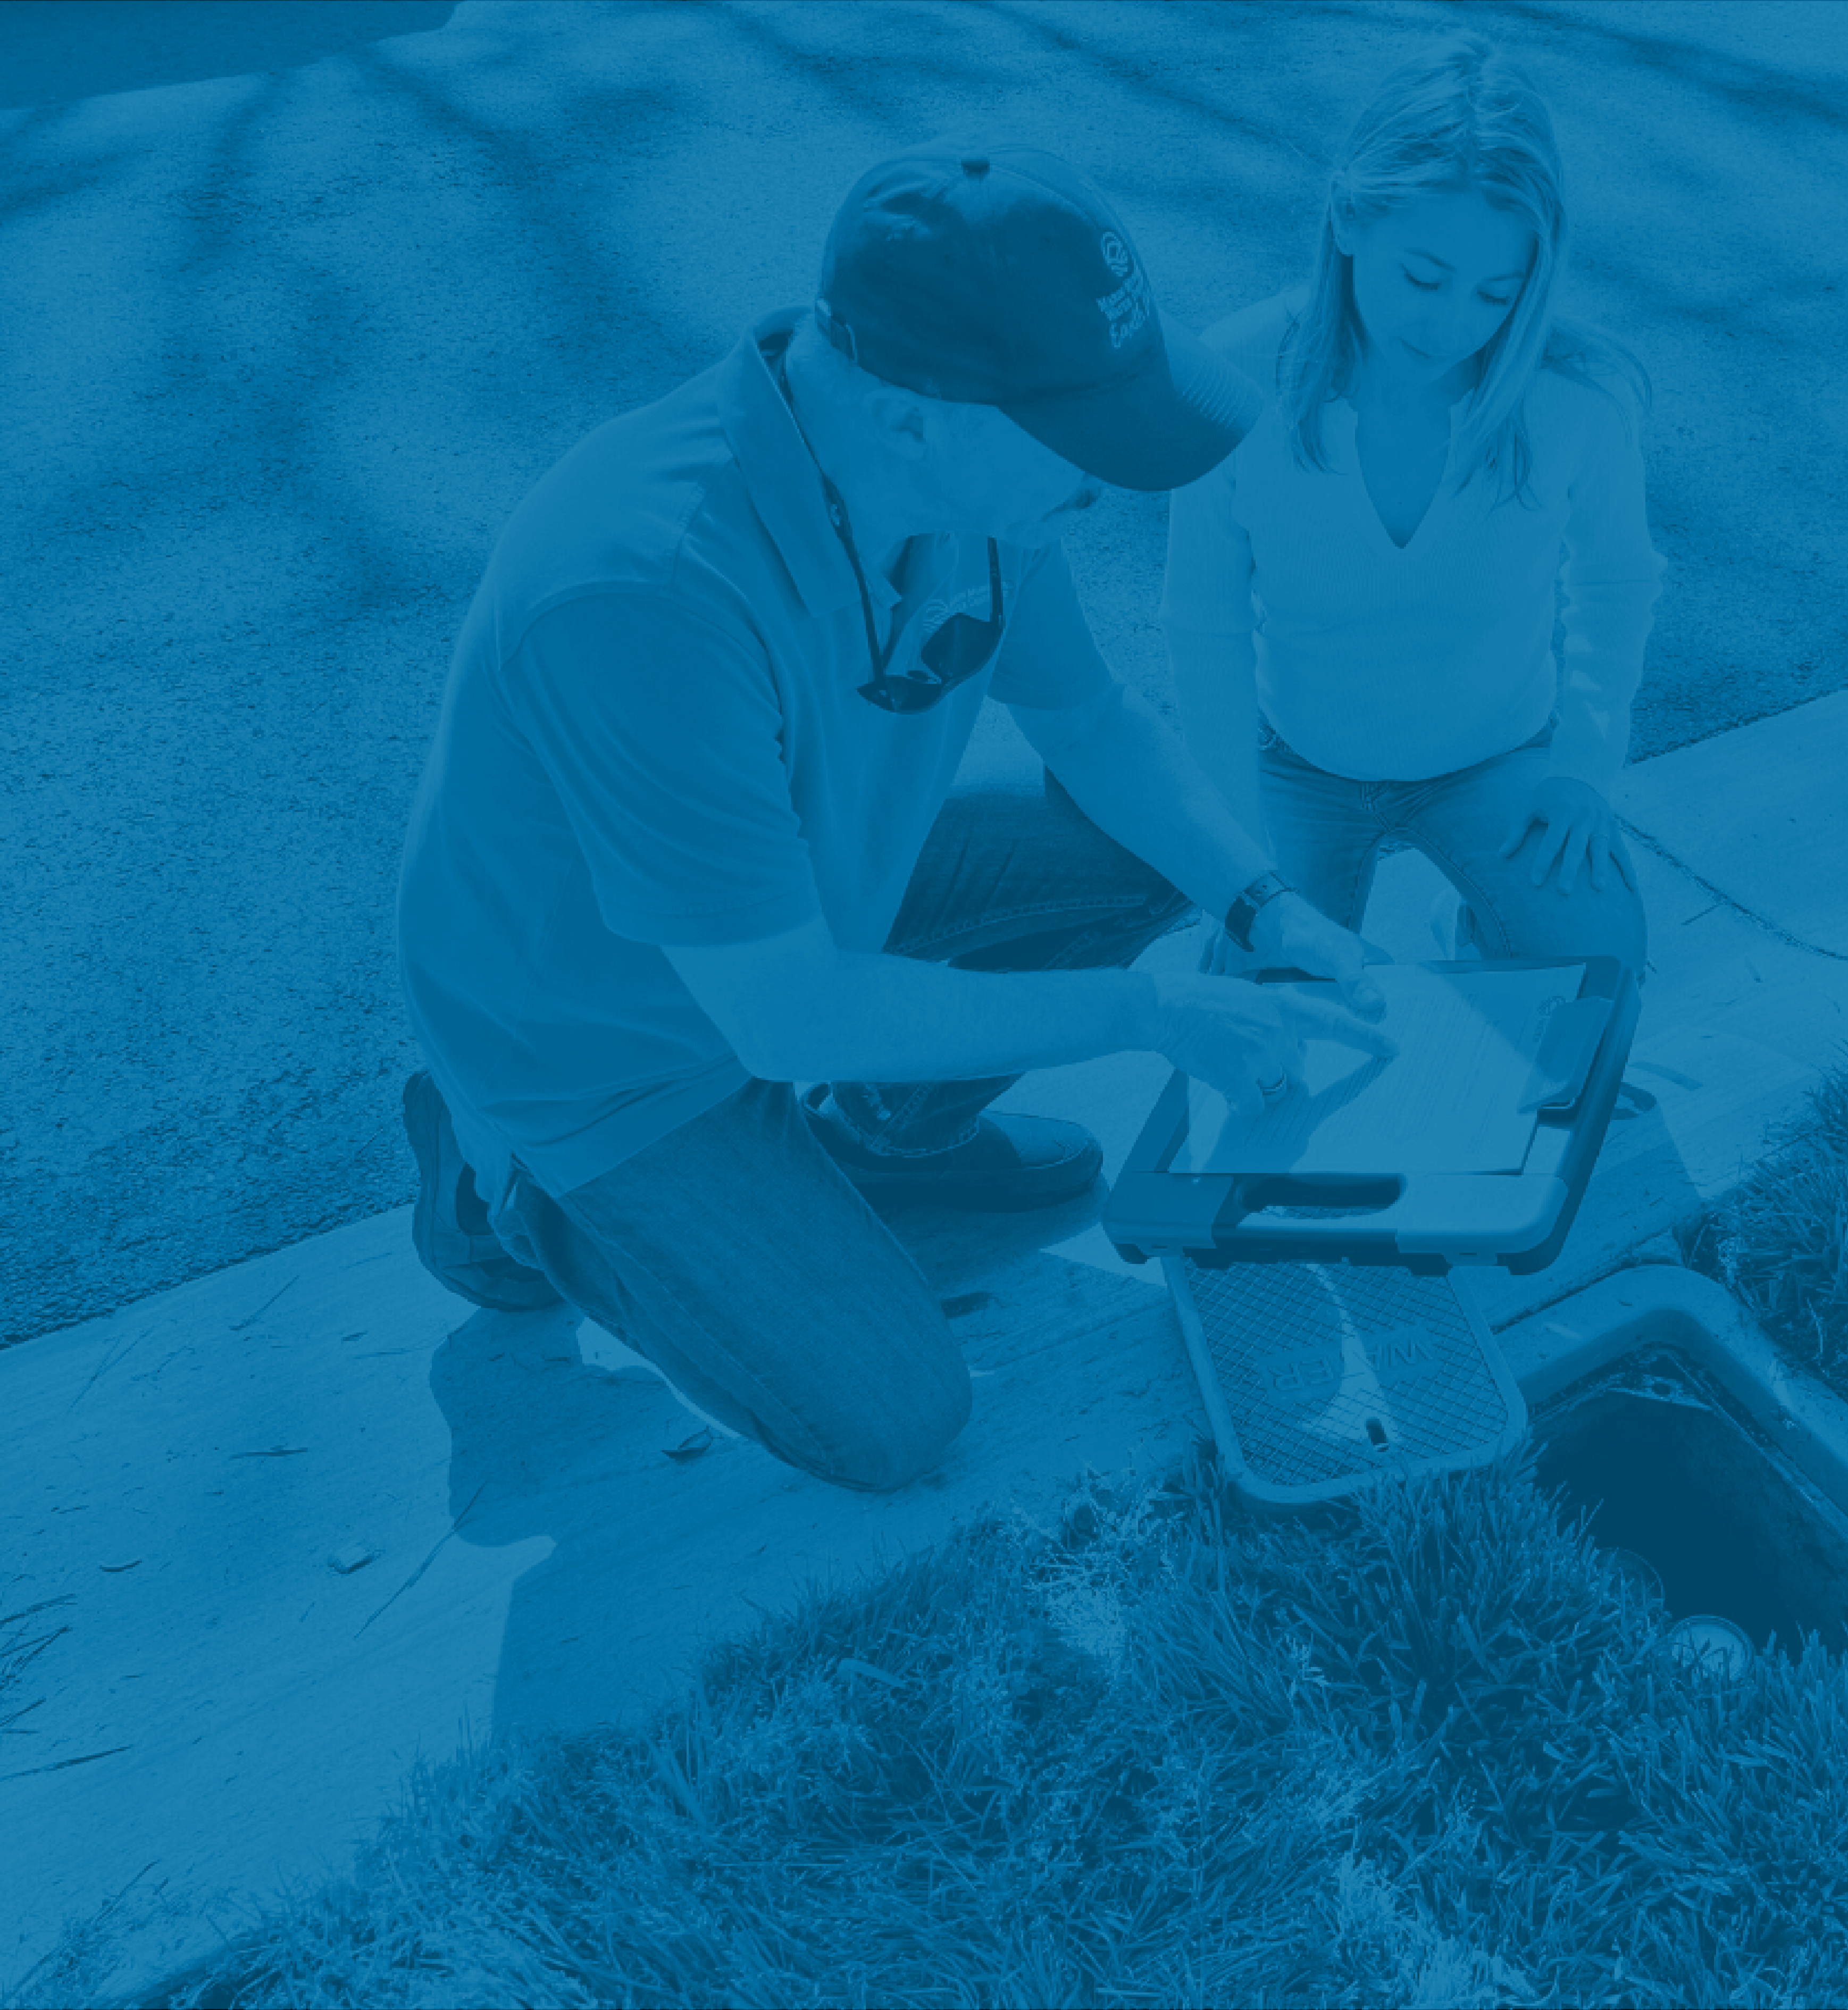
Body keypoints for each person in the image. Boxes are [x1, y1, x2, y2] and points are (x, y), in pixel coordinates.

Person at [396, 141, 1401, 1494]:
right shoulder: (638, 589)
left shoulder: (971, 490)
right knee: (898, 1415)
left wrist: (1265, 909)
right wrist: (1153, 1010)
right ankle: (499, 1189)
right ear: (917, 415)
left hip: (799, 902)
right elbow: (787, 1015)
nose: (1104, 477)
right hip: (598, 1044)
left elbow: (1094, 724)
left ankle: (877, 1141)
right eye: (1080, 432)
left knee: (1138, 851)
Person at [1164, 32, 1665, 993]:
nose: (1449, 327)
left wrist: (1584, 767)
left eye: (1495, 294)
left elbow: (1616, 576)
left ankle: (1477, 926)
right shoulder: (1229, 377)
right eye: (1422, 277)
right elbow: (1204, 625)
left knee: (1597, 976)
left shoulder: (1578, 401)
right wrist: (1235, 858)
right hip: (1294, 765)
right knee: (1261, 1016)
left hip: (1495, 761)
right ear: (1350, 221)